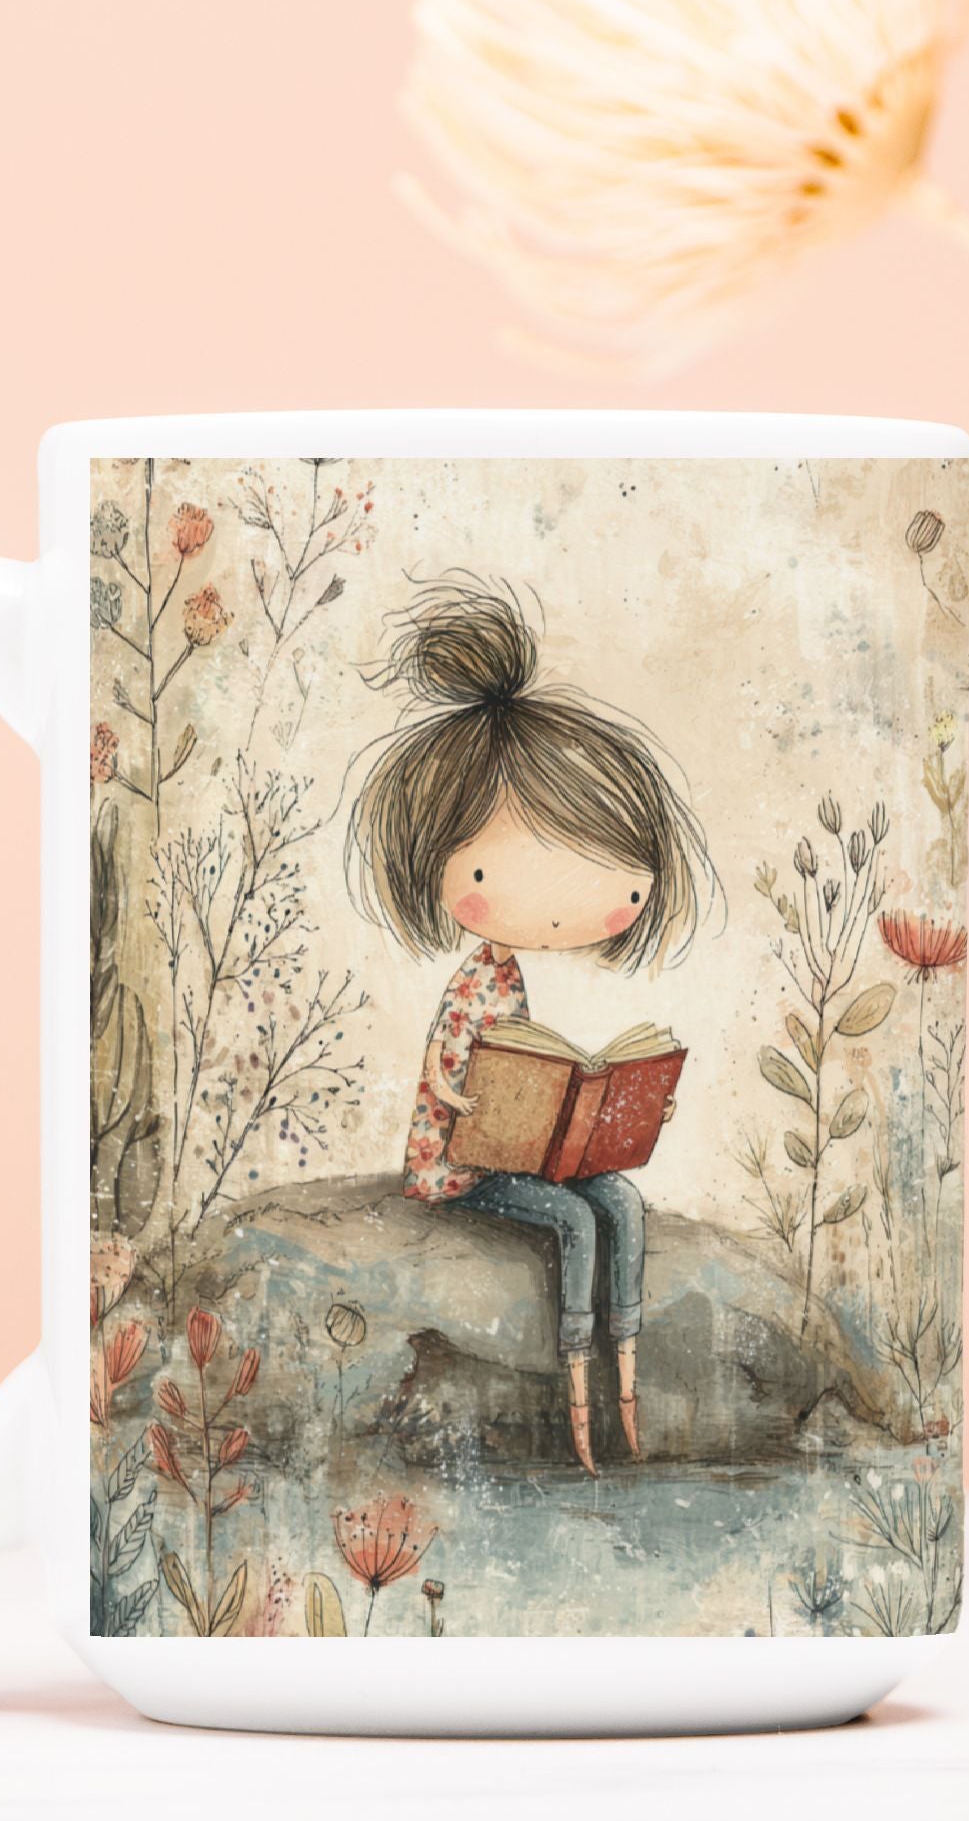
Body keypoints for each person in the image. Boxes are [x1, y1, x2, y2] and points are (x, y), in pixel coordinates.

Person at [347, 578, 716, 1475]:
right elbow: (448, 1078)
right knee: (574, 1222)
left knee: (619, 1198)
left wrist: (615, 1113)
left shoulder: (509, 976)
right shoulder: (477, 980)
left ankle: (625, 1366)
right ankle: (579, 1384)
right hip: (464, 1171)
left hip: (513, 1155)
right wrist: (473, 1098)